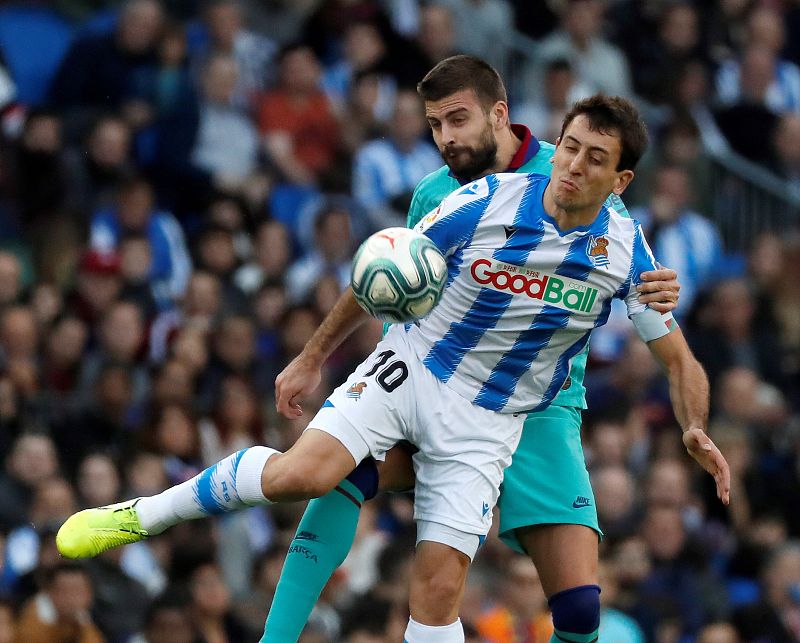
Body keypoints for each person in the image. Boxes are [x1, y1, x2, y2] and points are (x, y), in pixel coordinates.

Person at [56, 91, 729, 643]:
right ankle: (141, 512)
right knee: (303, 473)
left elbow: (677, 357)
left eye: (596, 158)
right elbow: (379, 275)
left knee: (438, 593)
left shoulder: (626, 255)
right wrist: (312, 355)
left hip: (489, 419)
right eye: (572, 146)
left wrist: (694, 426)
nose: (574, 165)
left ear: (622, 179)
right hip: (415, 367)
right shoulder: (485, 202)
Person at [261, 55, 684, 641]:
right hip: (446, 384)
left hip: (542, 408)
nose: (446, 139)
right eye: (436, 125)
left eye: (457, 120)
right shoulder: (434, 193)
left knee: (583, 613)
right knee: (338, 473)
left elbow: (629, 262)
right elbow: (402, 307)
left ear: (499, 114)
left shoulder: (574, 170)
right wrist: (336, 373)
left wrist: (663, 283)